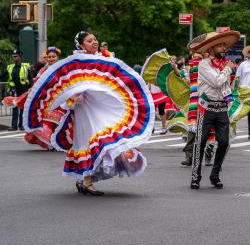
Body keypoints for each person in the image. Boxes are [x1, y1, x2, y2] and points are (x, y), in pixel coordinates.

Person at [23, 31, 153, 195]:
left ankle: (84, 179)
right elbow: (65, 90)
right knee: (86, 142)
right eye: (90, 40)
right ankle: (86, 181)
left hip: (100, 109)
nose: (94, 42)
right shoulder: (75, 63)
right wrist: (73, 99)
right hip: (83, 111)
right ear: (81, 45)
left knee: (99, 140)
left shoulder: (103, 59)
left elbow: (112, 83)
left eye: (95, 39)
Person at [189, 30, 240, 190]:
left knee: (224, 143)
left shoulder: (224, 64)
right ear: (211, 49)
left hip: (222, 108)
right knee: (200, 142)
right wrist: (228, 70)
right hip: (206, 109)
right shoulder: (204, 64)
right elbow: (217, 82)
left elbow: (226, 87)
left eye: (225, 45)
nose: (224, 48)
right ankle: (196, 177)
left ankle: (215, 174)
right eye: (220, 45)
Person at [2, 47, 63, 150]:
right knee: (47, 121)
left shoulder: (62, 68)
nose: (51, 58)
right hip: (46, 99)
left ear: (58, 57)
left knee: (60, 122)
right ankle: (51, 142)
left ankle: (58, 142)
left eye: (53, 56)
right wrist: (32, 90)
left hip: (60, 98)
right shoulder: (43, 69)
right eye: (49, 57)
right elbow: (38, 82)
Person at [0, 50, 32, 131]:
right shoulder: (10, 67)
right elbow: (3, 76)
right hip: (14, 89)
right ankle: (14, 126)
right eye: (13, 56)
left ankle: (22, 125)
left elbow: (30, 78)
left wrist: (31, 88)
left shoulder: (26, 66)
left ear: (20, 57)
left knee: (23, 107)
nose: (14, 58)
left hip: (24, 89)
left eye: (16, 56)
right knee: (14, 107)